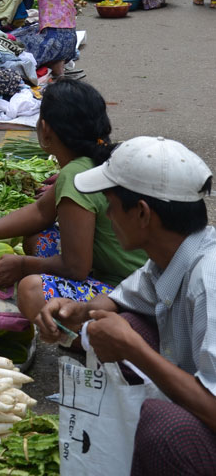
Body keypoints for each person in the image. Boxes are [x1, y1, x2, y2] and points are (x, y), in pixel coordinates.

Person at [36, 135, 216, 476]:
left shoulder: (210, 280)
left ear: (143, 213)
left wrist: (134, 349)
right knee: (124, 324)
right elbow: (122, 298)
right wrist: (77, 310)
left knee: (163, 426)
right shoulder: (170, 256)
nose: (107, 214)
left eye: (111, 204)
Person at [0, 79, 146, 322]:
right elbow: (40, 213)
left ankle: (98, 335)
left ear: (45, 129)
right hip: (132, 277)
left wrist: (22, 265)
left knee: (31, 291)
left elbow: (76, 268)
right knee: (37, 236)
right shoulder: (96, 159)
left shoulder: (75, 175)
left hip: (130, 294)